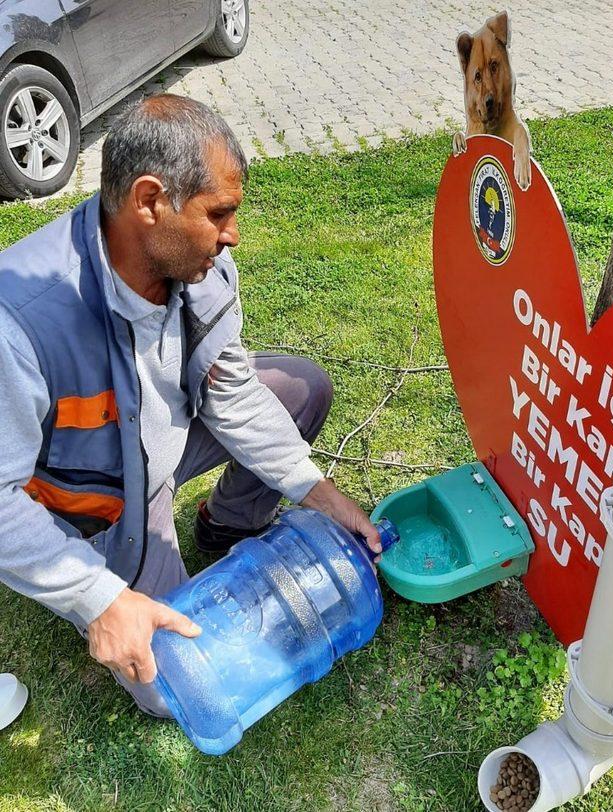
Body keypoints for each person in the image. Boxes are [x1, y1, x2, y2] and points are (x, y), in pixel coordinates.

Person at [0, 94, 381, 717]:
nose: (232, 235)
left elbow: (231, 393)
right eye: (219, 213)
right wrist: (96, 596)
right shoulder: (20, 324)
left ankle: (225, 523)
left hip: (164, 443)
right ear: (149, 203)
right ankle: (121, 568)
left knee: (300, 389)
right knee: (174, 683)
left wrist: (318, 491)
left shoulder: (201, 268)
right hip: (105, 502)